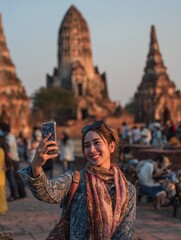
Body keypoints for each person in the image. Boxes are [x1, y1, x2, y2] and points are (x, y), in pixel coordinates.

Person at [18, 120, 136, 239]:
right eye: (87, 145)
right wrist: (36, 166)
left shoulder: (127, 190)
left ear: (111, 146)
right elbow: (47, 193)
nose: (92, 150)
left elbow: (125, 233)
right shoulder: (76, 179)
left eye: (97, 143)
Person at [0, 135, 8, 214]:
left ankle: (2, 209)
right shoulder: (2, 150)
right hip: (2, 174)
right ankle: (3, 208)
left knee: (1, 194)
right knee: (2, 193)